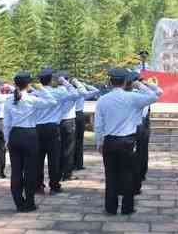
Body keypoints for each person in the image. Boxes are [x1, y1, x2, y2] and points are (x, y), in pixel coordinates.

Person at [94, 68, 162, 215]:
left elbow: (98, 125)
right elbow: (156, 95)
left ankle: (111, 208)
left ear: (110, 82)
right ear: (125, 81)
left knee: (110, 175)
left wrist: (99, 142)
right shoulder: (132, 98)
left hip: (110, 141)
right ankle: (127, 207)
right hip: (128, 141)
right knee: (128, 175)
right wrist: (141, 85)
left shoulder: (102, 100)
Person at [4, 72, 58, 212]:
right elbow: (52, 101)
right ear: (28, 84)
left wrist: (6, 140)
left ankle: (18, 203)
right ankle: (29, 203)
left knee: (16, 171)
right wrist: (41, 88)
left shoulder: (9, 100)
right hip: (29, 135)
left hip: (14, 135)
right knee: (30, 171)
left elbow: (6, 124)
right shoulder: (31, 99)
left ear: (15, 84)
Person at [34, 68, 85, 195]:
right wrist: (66, 83)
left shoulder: (35, 93)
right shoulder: (58, 92)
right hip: (52, 128)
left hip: (37, 128)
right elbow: (77, 93)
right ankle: (54, 185)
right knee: (54, 159)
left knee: (38, 159)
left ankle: (38, 185)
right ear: (51, 80)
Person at [56, 71, 79, 181]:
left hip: (57, 122)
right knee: (69, 149)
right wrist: (68, 83)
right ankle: (67, 174)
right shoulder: (70, 91)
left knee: (58, 149)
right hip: (69, 122)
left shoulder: (55, 91)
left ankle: (58, 173)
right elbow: (76, 92)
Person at [74, 82, 100, 171]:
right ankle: (78, 164)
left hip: (70, 117)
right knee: (79, 141)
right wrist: (84, 84)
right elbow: (96, 90)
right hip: (79, 115)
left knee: (70, 142)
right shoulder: (81, 93)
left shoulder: (68, 93)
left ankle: (72, 164)